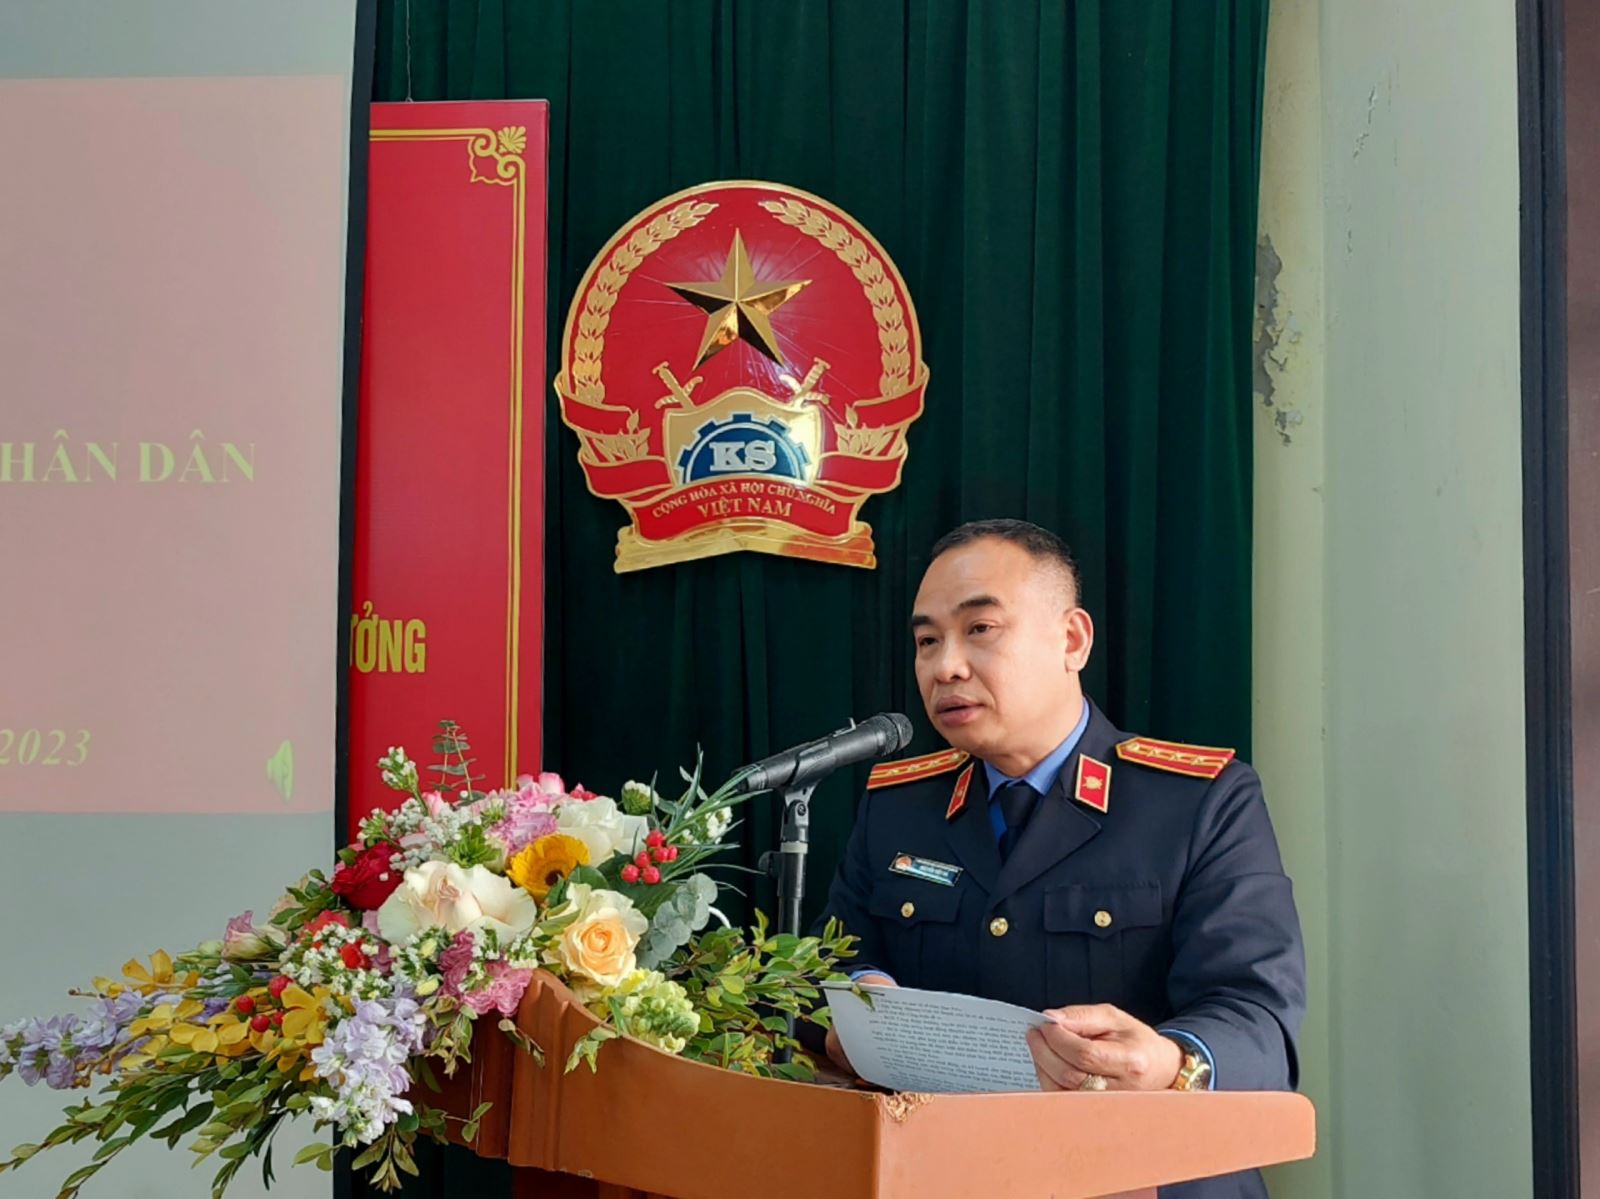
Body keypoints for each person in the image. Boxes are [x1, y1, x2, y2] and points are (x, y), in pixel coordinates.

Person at [814, 519, 1305, 1199]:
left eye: (980, 629)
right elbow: (825, 965)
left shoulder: (1200, 801)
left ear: (1072, 640)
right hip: (944, 1175)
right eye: (927, 640)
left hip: (1143, 1178)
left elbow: (1259, 1016)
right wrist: (856, 1005)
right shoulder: (898, 805)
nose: (945, 666)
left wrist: (1171, 1061)